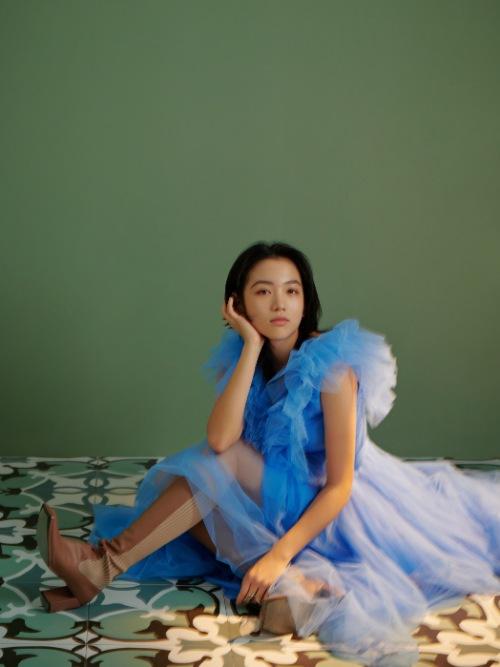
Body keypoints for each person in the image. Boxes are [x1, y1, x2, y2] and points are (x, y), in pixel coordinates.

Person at [36, 241, 500, 666]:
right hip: (276, 491)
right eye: (263, 292)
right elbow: (220, 438)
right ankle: (288, 591)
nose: (280, 304)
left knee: (206, 479)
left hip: (334, 507)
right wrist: (250, 348)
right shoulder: (245, 356)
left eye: (292, 291)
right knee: (198, 491)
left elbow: (339, 485)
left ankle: (106, 565)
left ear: (305, 300)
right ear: (238, 305)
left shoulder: (332, 368)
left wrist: (279, 555)